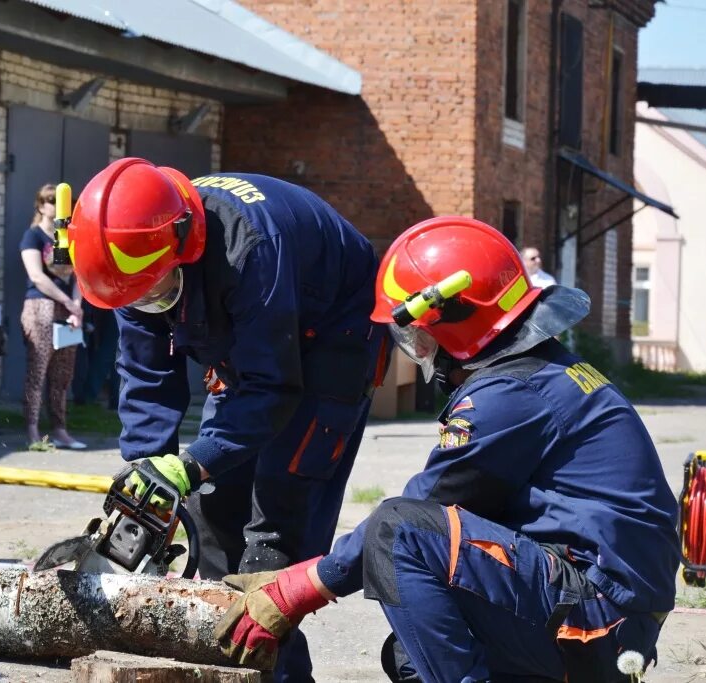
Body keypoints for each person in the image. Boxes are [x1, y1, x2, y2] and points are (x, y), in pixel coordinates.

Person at [215, 217, 680, 683]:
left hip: (597, 618)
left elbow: (416, 514)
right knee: (414, 655)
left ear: (454, 322)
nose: (417, 348)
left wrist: (297, 588)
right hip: (608, 615)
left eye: (416, 334)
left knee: (397, 530)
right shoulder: (541, 372)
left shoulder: (510, 395)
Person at [67, 158, 391, 682]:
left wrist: (193, 462)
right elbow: (147, 373)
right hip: (254, 340)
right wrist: (148, 471)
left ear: (182, 247)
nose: (148, 302)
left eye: (155, 291)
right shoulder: (126, 260)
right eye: (139, 296)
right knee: (214, 516)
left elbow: (273, 387)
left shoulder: (248, 249)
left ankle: (278, 675)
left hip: (333, 337)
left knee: (276, 530)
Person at [20, 183, 86, 450]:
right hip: (41, 305)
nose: (56, 206)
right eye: (50, 200)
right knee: (38, 369)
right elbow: (36, 275)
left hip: (68, 309)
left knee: (63, 373)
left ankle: (60, 429)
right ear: (40, 205)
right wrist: (68, 301)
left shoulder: (69, 237)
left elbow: (80, 273)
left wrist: (77, 306)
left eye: (60, 202)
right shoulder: (33, 236)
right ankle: (33, 430)